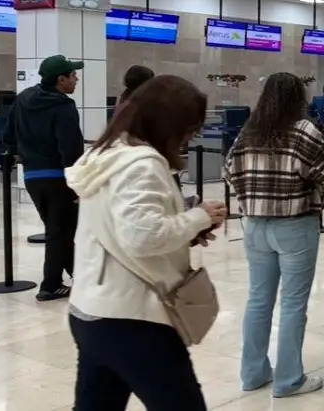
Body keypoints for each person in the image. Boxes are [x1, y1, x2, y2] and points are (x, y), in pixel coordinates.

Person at [65, 75, 228, 410]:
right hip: (134, 319)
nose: (191, 136)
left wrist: (186, 230)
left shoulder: (106, 154)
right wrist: (197, 217)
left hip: (90, 310)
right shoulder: (143, 163)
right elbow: (142, 236)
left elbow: (122, 227)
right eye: (190, 127)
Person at [224, 72, 324, 398]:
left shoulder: (248, 132)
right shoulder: (304, 131)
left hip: (254, 226)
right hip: (294, 226)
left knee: (258, 301)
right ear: (298, 98)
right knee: (292, 305)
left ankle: (253, 373)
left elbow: (228, 172)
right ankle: (289, 380)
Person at [2, 54, 86, 301]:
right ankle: (50, 285)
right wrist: (77, 183)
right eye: (72, 75)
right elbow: (70, 148)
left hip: (32, 177)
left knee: (60, 229)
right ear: (61, 79)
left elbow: (9, 135)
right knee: (60, 231)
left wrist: (17, 154)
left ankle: (79, 276)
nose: (76, 78)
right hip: (59, 178)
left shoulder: (23, 99)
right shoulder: (63, 106)